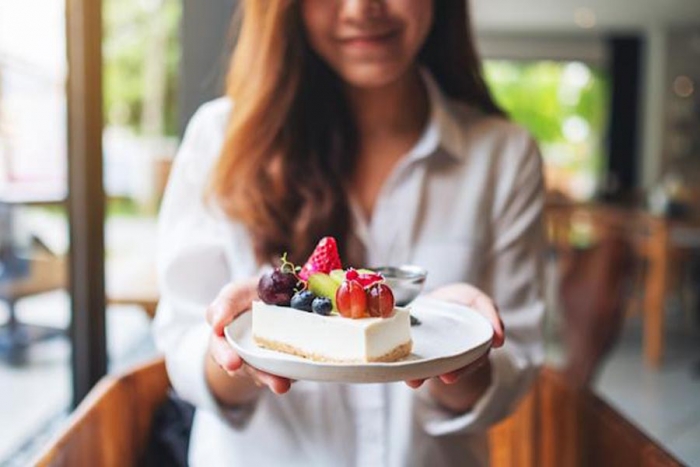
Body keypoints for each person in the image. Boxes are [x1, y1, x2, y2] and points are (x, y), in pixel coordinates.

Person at [153, 0, 545, 465]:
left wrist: (462, 352)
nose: (362, 8)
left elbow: (512, 372)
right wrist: (237, 350)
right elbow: (183, 346)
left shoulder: (502, 155)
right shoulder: (219, 140)